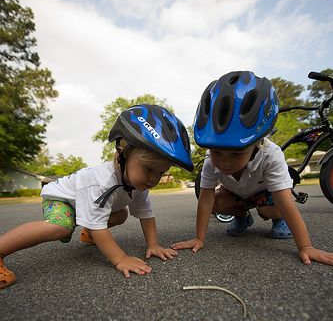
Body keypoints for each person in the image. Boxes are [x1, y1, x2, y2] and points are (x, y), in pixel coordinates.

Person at [0, 104, 194, 288]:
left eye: (160, 173)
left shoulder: (139, 184)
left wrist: (154, 244)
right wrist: (120, 259)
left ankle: (87, 233)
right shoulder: (102, 182)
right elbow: (99, 226)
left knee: (121, 214)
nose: (154, 178)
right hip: (62, 199)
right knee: (61, 227)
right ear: (122, 154)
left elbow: (146, 214)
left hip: (85, 204)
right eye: (149, 169)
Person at [172, 70, 333, 266]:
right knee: (216, 201)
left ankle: (277, 219)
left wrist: (306, 247)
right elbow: (206, 199)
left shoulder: (271, 155)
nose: (224, 162)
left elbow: (285, 201)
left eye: (236, 154)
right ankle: (243, 217)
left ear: (258, 143)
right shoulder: (209, 161)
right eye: (216, 152)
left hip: (266, 195)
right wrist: (199, 238)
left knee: (273, 208)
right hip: (237, 196)